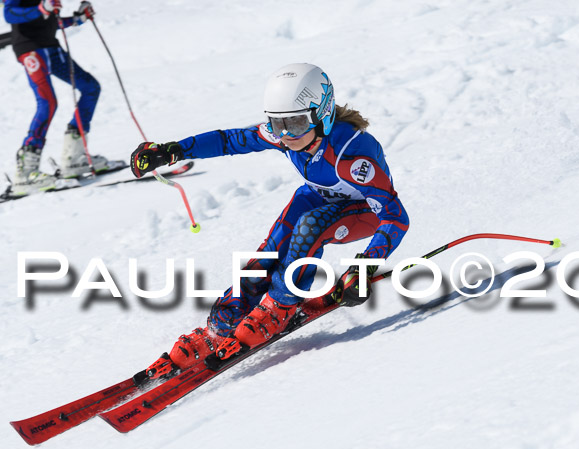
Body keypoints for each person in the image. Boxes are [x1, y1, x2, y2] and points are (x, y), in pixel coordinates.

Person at [130, 63, 410, 376]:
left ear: (323, 114)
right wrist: (174, 151)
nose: (286, 134)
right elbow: (231, 140)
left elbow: (395, 217)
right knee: (269, 253)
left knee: (310, 227)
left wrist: (364, 266)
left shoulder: (351, 156)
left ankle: (279, 307)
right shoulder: (288, 133)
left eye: (296, 123)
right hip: (319, 196)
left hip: (363, 212)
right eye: (277, 124)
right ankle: (220, 326)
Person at [4, 0, 109, 194]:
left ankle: (74, 157)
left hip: (51, 47)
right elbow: (9, 14)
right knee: (47, 103)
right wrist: (41, 8)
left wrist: (77, 19)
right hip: (30, 49)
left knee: (91, 87)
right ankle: (25, 172)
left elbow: (50, 21)